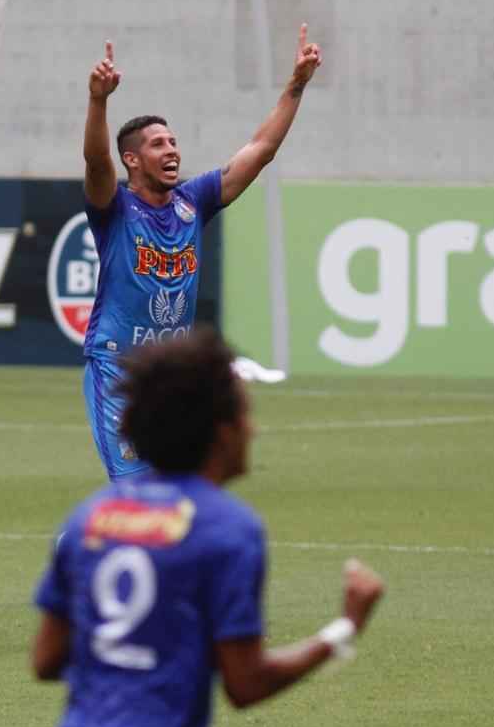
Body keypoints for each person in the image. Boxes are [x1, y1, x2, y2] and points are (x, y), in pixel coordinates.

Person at [31, 329, 385, 727]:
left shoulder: (91, 516)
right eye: (245, 416)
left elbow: (46, 660)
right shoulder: (228, 529)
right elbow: (246, 684)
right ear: (220, 434)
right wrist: (344, 629)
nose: (253, 429)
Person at [80, 25, 322, 480]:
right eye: (158, 145)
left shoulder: (194, 201)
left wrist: (297, 85)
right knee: (139, 484)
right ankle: (78, 546)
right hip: (117, 367)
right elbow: (96, 163)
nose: (171, 150)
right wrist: (98, 101)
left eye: (173, 142)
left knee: (178, 483)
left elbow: (261, 149)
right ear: (132, 160)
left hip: (171, 372)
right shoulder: (114, 209)